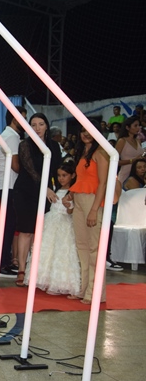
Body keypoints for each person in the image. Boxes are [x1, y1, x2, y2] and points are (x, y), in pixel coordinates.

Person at [13, 113, 61, 286]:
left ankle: (36, 270)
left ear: (47, 126)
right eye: (33, 124)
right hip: (26, 191)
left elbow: (58, 169)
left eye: (41, 124)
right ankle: (21, 269)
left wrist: (62, 190)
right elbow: (31, 170)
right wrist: (45, 188)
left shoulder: (54, 145)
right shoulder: (24, 145)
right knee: (26, 231)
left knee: (41, 232)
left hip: (46, 192)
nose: (37, 128)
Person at [67, 122, 109, 304]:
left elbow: (103, 183)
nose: (86, 134)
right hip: (79, 201)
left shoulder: (102, 153)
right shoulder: (82, 152)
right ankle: (84, 288)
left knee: (94, 248)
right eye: (83, 131)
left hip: (93, 202)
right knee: (82, 247)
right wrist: (70, 194)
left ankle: (95, 292)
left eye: (89, 130)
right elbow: (81, 179)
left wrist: (94, 209)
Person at [26, 161, 80, 295]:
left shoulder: (73, 192)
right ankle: (43, 279)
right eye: (59, 175)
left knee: (61, 252)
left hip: (64, 224)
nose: (61, 178)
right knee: (47, 250)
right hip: (50, 222)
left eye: (64, 175)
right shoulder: (55, 189)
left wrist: (69, 206)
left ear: (73, 176)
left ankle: (59, 282)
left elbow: (71, 211)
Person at [0, 105, 26, 277]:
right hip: (9, 184)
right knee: (8, 225)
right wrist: (29, 173)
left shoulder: (6, 134)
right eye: (23, 118)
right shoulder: (12, 136)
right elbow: (15, 165)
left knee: (8, 225)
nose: (25, 122)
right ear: (14, 119)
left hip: (4, 183)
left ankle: (3, 262)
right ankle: (2, 264)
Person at [115, 116, 145, 183]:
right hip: (126, 174)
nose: (138, 128)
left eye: (139, 125)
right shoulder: (122, 141)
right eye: (135, 126)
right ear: (127, 127)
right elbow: (114, 161)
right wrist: (132, 160)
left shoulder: (138, 140)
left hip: (139, 176)